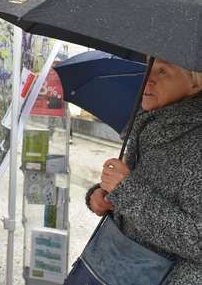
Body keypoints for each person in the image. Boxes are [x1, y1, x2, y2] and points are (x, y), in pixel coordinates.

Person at [86, 58, 202, 284]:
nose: (148, 79)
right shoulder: (150, 127)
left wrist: (126, 192)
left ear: (195, 84)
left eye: (163, 72)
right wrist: (99, 196)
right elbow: (139, 193)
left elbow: (197, 240)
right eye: (149, 68)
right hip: (118, 270)